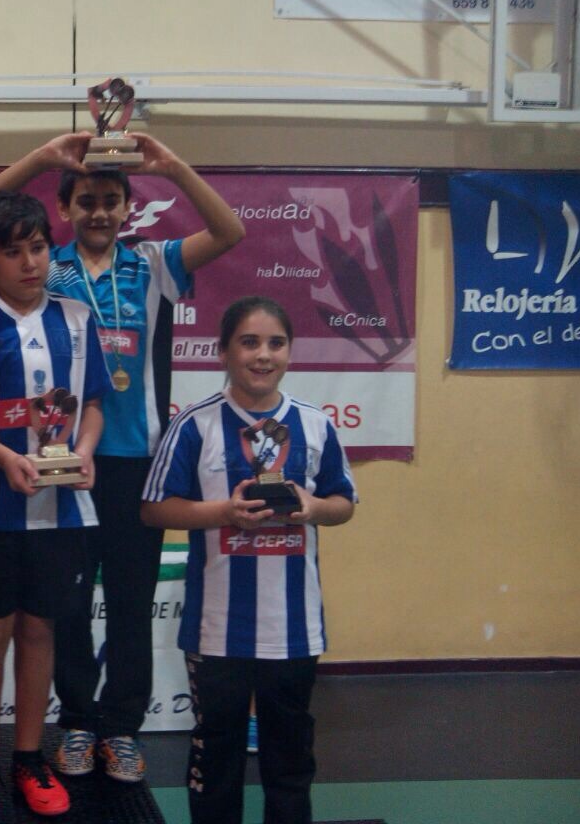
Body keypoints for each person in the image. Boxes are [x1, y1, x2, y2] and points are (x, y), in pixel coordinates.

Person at [0, 131, 244, 782]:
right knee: (65, 603)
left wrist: (171, 165)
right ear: (64, 208)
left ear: (127, 208)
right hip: (62, 458)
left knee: (129, 599)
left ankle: (120, 727)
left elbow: (228, 231)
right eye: (86, 200)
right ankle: (78, 722)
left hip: (135, 461)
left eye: (111, 200)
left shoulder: (153, 262)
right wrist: (43, 158)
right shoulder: (45, 262)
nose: (98, 212)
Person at [141, 296, 358, 824]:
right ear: (223, 352)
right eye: (249, 342)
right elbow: (153, 509)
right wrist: (225, 512)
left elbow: (344, 503)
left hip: (294, 628)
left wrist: (313, 508)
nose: (263, 355)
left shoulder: (315, 425)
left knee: (290, 759)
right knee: (216, 756)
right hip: (217, 628)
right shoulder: (194, 425)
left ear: (290, 351)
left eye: (276, 343)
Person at [0, 192, 110, 824]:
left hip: (62, 511)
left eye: (37, 248)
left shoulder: (78, 318)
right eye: (14, 252)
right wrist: (6, 457)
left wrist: (84, 452)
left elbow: (93, 404)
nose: (30, 262)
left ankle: (30, 758)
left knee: (41, 629)